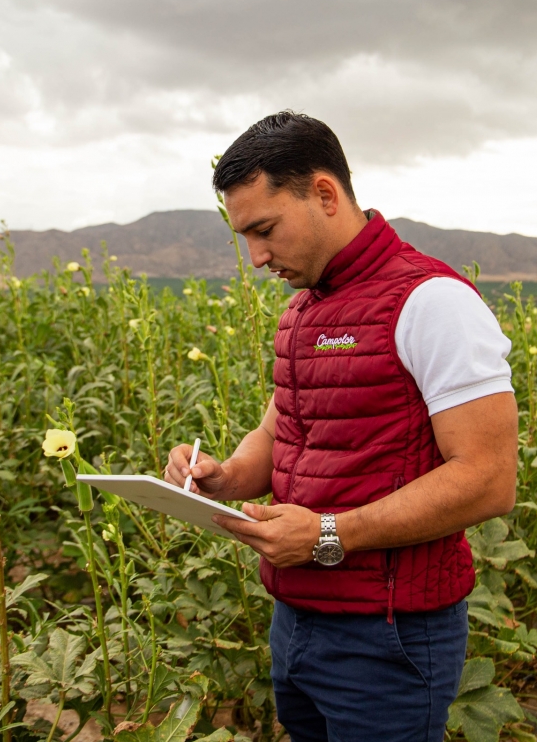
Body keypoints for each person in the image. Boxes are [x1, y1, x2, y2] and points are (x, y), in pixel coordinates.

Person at [164, 111, 518, 742]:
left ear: (325, 194)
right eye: (244, 237)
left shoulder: (432, 301)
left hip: (388, 636)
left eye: (264, 230)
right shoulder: (302, 311)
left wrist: (331, 534)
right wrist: (220, 477)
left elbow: (489, 479)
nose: (257, 257)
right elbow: (279, 437)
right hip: (296, 623)